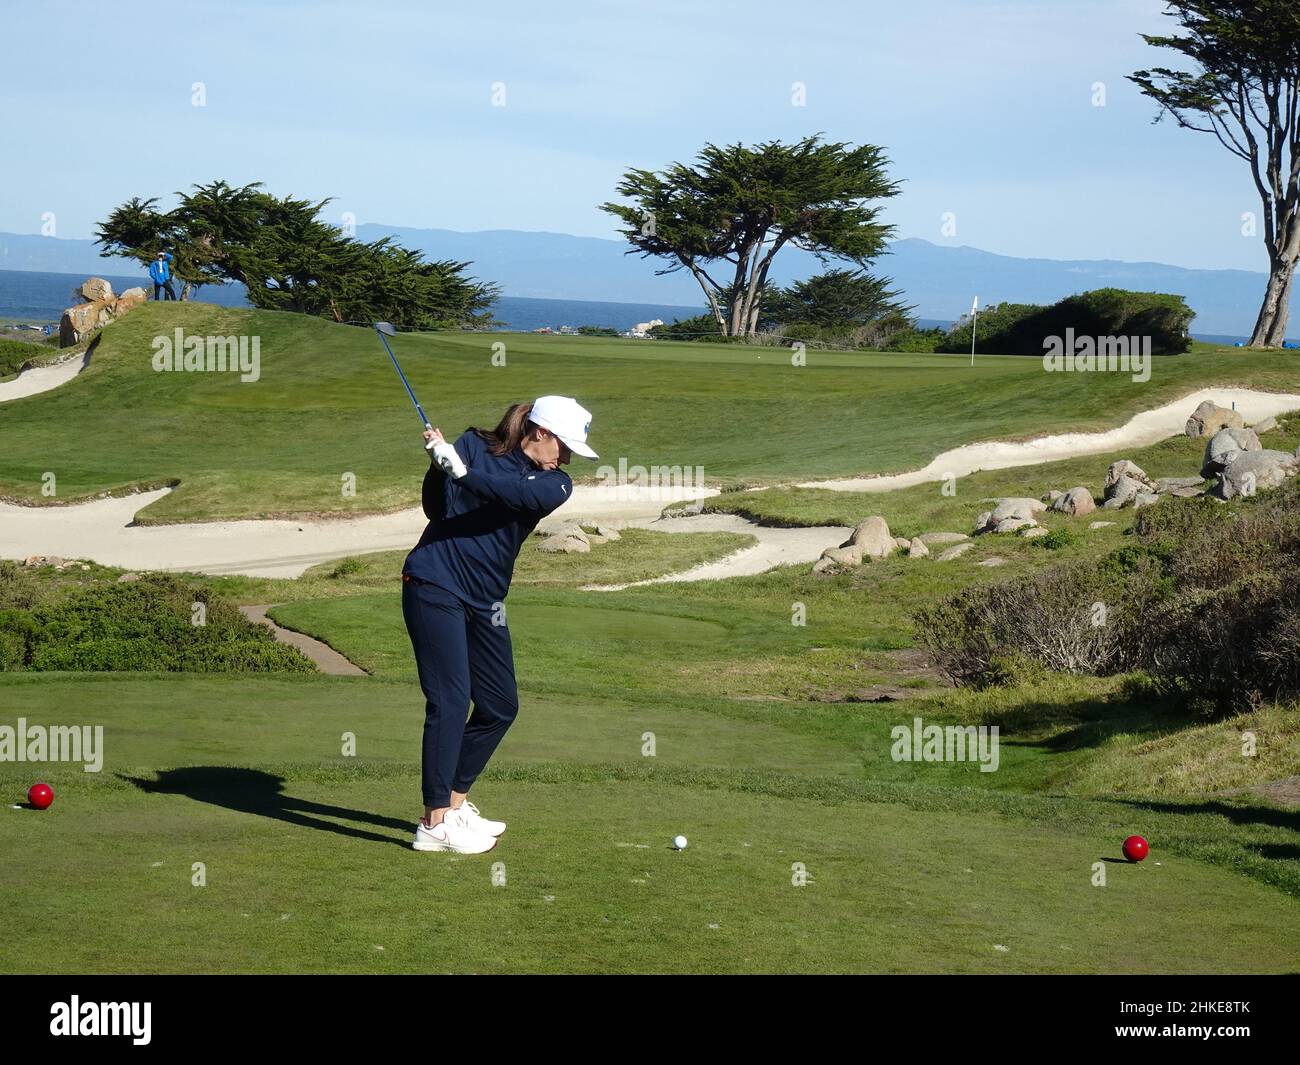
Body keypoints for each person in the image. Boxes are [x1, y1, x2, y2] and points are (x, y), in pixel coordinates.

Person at [402, 395, 597, 853]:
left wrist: (464, 472)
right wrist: (438, 466)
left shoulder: (556, 485)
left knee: (499, 705)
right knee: (450, 699)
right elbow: (438, 510)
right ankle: (434, 824)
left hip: (487, 599)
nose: (566, 458)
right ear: (540, 432)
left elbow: (514, 496)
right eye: (563, 446)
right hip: (435, 582)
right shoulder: (473, 445)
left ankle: (454, 802)